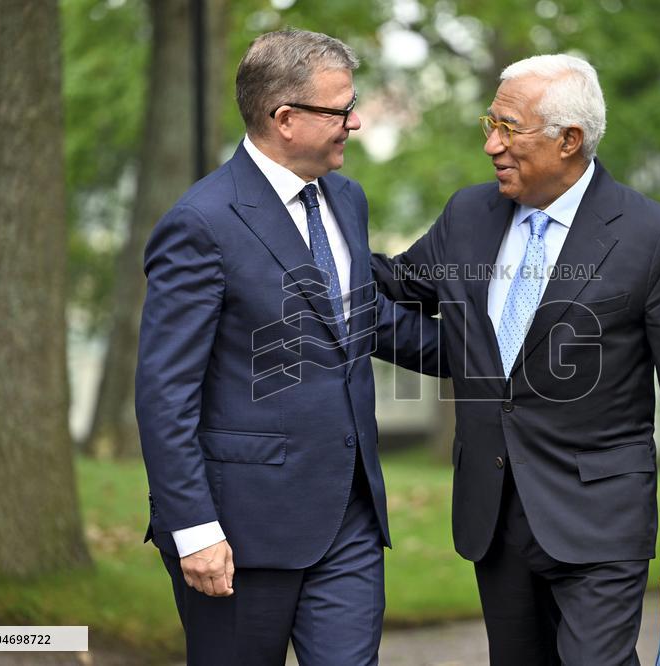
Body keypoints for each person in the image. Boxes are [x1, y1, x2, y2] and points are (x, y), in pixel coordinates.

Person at [371, 54, 660, 665]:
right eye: (491, 122)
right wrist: (311, 238)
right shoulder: (469, 215)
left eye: (509, 128)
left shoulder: (651, 237)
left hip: (599, 515)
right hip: (495, 511)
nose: (491, 144)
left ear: (569, 140)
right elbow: (398, 285)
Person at [135, 29, 442, 666]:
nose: (354, 122)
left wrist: (501, 348)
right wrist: (195, 531)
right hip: (240, 530)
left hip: (350, 519)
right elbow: (165, 395)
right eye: (340, 109)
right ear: (285, 119)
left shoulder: (347, 199)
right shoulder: (201, 224)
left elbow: (362, 318)